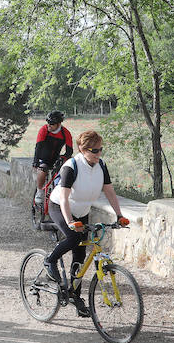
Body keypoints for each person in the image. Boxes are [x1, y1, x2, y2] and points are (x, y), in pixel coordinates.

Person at [45, 130, 130, 317]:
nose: (99, 154)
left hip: (82, 211)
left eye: (101, 150)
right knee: (74, 238)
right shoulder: (71, 166)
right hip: (60, 207)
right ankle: (49, 260)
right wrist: (70, 222)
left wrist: (119, 215)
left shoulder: (101, 165)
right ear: (83, 150)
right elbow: (65, 199)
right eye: (94, 150)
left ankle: (75, 296)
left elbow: (109, 192)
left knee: (80, 254)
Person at [32, 111, 73, 203]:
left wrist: (64, 158)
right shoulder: (44, 130)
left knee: (65, 172)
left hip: (56, 159)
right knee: (43, 170)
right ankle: (39, 191)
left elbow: (69, 151)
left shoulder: (65, 133)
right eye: (48, 122)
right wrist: (35, 162)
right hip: (44, 158)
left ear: (59, 124)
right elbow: (38, 147)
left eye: (52, 124)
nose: (49, 125)